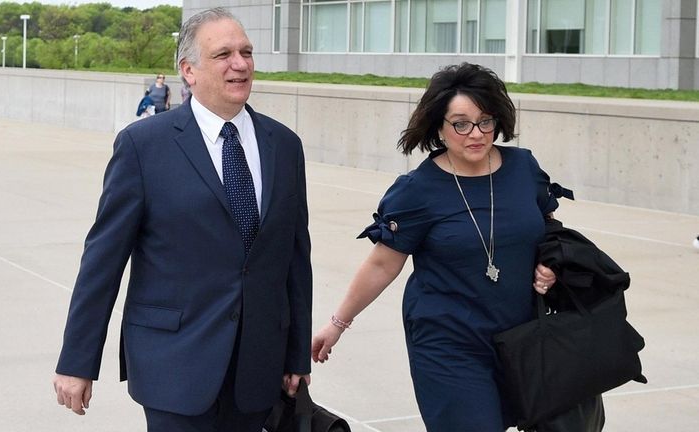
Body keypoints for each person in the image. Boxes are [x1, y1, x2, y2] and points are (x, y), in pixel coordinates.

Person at [53, 8, 313, 432]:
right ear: (188, 71)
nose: (241, 64)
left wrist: (296, 355)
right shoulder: (143, 146)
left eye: (246, 52)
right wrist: (77, 362)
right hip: (173, 364)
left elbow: (295, 259)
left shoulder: (284, 145)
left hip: (258, 368)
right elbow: (102, 261)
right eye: (224, 54)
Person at [311, 62, 560, 431]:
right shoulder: (418, 190)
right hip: (448, 343)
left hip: (521, 337)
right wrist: (337, 324)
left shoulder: (522, 168)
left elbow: (548, 228)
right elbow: (382, 265)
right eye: (460, 123)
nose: (475, 133)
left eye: (485, 121)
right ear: (439, 128)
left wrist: (550, 263)